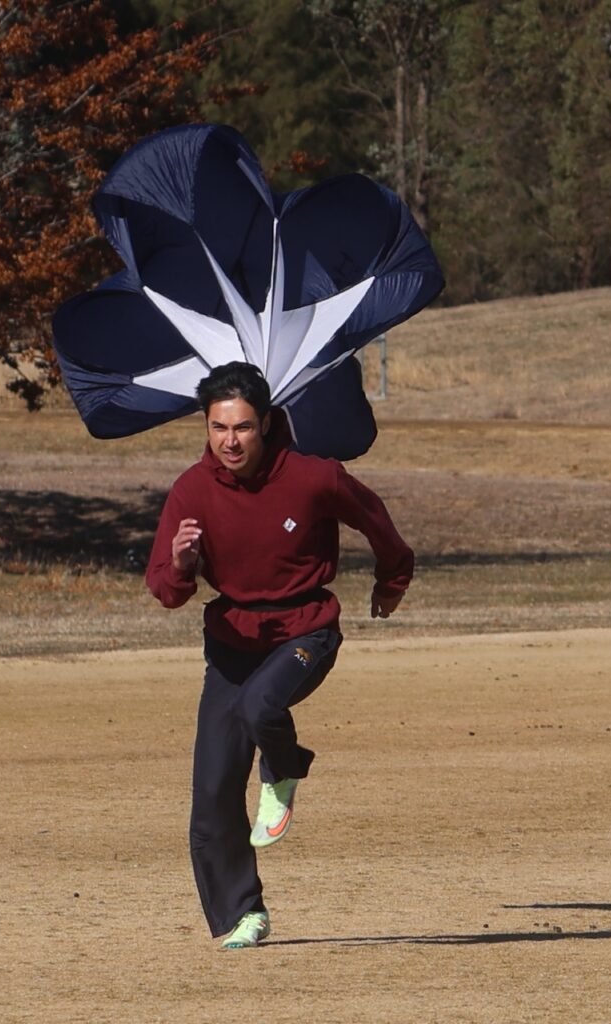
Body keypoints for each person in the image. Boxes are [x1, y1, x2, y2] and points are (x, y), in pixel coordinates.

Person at [145, 361, 413, 949]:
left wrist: (391, 582)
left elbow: (379, 524)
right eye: (218, 428)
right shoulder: (192, 490)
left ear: (265, 422)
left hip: (306, 631)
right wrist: (185, 564)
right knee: (212, 791)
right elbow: (165, 589)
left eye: (241, 427)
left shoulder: (313, 478)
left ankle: (285, 766)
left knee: (260, 705)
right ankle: (243, 913)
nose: (230, 441)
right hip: (232, 644)